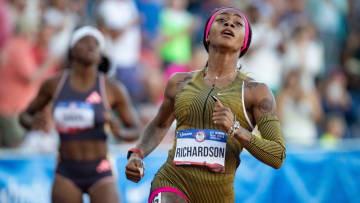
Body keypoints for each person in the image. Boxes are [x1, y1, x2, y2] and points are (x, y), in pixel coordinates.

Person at [125, 7, 286, 203]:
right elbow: (159, 125)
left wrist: (236, 129)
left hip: (217, 195)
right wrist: (137, 153)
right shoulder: (178, 82)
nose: (229, 24)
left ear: (245, 42)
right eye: (222, 20)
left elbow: (277, 156)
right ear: (207, 34)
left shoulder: (256, 92)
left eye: (237, 23)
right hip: (171, 181)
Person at [20, 26, 141, 203]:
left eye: (96, 44)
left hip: (100, 170)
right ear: (71, 50)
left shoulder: (112, 88)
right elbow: (24, 116)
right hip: (66, 171)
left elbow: (136, 129)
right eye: (85, 41)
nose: (91, 46)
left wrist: (120, 132)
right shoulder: (54, 84)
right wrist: (33, 123)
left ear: (101, 55)